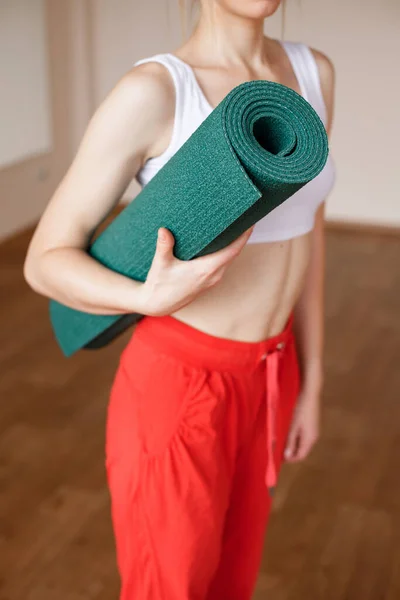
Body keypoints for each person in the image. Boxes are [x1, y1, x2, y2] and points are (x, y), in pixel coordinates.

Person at [24, 0, 336, 597]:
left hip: (273, 371)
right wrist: (145, 296)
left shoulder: (314, 74)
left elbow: (311, 229)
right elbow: (43, 260)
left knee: (232, 580)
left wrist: (313, 378)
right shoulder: (155, 91)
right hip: (180, 387)